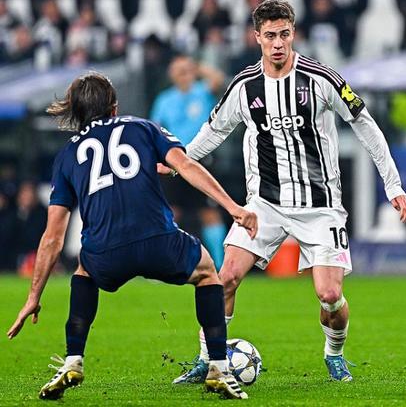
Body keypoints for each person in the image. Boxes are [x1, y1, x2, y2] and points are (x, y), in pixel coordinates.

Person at [168, 0, 406, 383]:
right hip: (264, 205)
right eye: (270, 36)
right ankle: (206, 359)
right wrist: (177, 162)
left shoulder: (321, 79)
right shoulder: (245, 86)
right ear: (257, 37)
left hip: (320, 207)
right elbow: (213, 132)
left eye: (284, 34)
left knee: (330, 296)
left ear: (293, 33)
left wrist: (392, 182)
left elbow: (364, 124)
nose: (278, 43)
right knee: (224, 277)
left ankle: (334, 353)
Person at [6, 72, 258, 400]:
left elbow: (53, 236)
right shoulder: (142, 127)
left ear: (76, 112)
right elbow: (186, 166)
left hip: (105, 253)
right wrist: (233, 207)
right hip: (158, 240)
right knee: (208, 272)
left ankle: (73, 360)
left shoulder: (67, 155)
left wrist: (33, 296)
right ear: (114, 107)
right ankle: (219, 368)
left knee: (83, 272)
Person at [151, 55, 226, 266]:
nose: (183, 74)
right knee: (170, 212)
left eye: (186, 70)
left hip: (202, 159)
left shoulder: (203, 91)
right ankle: (165, 263)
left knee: (209, 212)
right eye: (178, 70)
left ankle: (220, 265)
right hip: (175, 160)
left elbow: (219, 79)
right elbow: (155, 128)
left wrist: (199, 68)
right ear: (171, 75)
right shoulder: (165, 99)